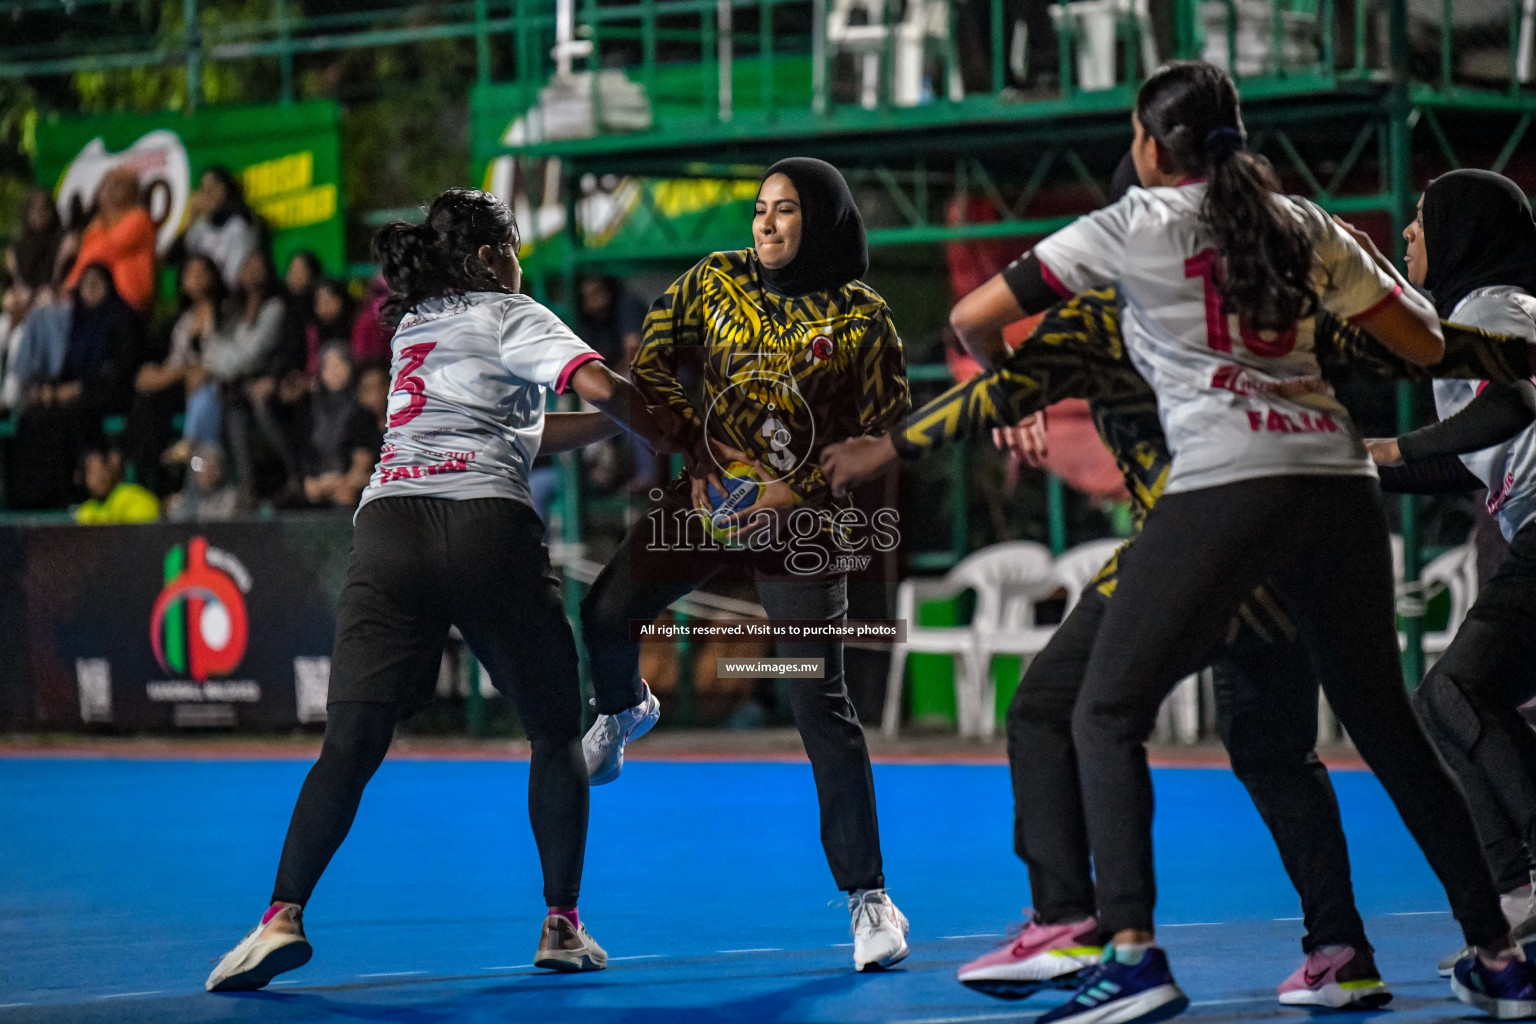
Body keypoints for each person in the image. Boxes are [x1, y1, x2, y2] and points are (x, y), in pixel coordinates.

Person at [821, 170, 1536, 1015]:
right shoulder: (1278, 304)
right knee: (1308, 748)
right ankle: (1397, 949)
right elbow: (1413, 345)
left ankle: (1090, 932)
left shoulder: (1124, 305)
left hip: (1194, 539)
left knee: (1062, 708)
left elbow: (995, 366)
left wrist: (884, 449)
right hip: (1311, 530)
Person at [205, 187, 679, 993]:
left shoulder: (418, 327)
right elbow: (599, 391)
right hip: (485, 529)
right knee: (553, 733)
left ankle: (279, 915)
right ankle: (561, 925)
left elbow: (528, 431)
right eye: (517, 246)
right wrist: (676, 423)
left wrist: (621, 418)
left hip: (389, 529)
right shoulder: (511, 311)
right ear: (494, 256)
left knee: (350, 744)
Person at [578, 157, 914, 972]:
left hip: (804, 526)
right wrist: (700, 449)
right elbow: (650, 367)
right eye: (759, 209)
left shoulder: (864, 319)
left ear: (823, 223)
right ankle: (624, 710)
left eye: (786, 212)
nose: (765, 225)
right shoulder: (713, 282)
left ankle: (871, 901)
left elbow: (887, 438)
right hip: (711, 501)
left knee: (815, 701)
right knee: (604, 612)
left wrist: (791, 493)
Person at [1362, 169, 1536, 976]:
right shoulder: (1475, 317)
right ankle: (1517, 889)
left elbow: (1513, 404)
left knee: (1454, 693)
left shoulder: (1492, 306)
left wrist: (1395, 447)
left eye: (1421, 222)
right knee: (1456, 699)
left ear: (1462, 233)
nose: (1407, 236)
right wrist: (1362, 468)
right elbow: (1473, 460)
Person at [10, 263, 145, 509]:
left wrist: (81, 388)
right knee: (32, 417)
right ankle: (30, 500)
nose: (91, 290)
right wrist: (50, 391)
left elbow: (123, 369)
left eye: (97, 284)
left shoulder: (122, 318)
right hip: (81, 394)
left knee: (72, 411)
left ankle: (74, 488)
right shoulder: (80, 324)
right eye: (86, 285)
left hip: (114, 393)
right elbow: (68, 370)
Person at [123, 254, 228, 494]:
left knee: (203, 395)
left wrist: (182, 373)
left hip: (214, 384)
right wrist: (159, 374)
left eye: (201, 273)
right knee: (146, 402)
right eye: (189, 274)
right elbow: (177, 362)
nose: (195, 279)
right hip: (182, 384)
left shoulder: (224, 314)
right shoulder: (182, 322)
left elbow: (222, 357)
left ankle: (194, 462)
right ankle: (150, 480)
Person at [294, 343, 378, 508]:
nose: (334, 372)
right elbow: (305, 455)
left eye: (339, 365)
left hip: (351, 484)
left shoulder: (361, 411)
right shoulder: (311, 410)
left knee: (346, 499)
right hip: (319, 484)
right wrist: (312, 482)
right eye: (328, 367)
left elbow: (363, 463)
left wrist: (337, 483)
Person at [62, 169, 157, 313]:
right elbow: (84, 260)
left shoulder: (139, 218)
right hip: (94, 296)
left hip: (127, 297)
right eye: (108, 185)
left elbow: (106, 251)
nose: (112, 190)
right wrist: (69, 286)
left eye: (119, 185)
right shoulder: (98, 223)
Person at [178, 166, 263, 290]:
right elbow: (185, 256)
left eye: (213, 188)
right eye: (204, 190)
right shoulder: (200, 227)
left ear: (225, 190)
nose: (208, 194)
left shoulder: (239, 226)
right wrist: (193, 217)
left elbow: (236, 275)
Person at [74, 442, 160, 524]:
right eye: (92, 472)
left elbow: (141, 532)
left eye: (102, 470)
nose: (99, 477)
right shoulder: (85, 510)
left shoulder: (133, 497)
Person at [6, 189, 64, 298]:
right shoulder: (18, 246)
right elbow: (16, 282)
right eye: (34, 209)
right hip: (25, 296)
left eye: (44, 208)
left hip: (51, 295)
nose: (39, 214)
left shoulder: (61, 239)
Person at [164, 443, 241, 522]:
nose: (208, 473)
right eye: (203, 467)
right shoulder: (186, 498)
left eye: (213, 467)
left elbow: (223, 518)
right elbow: (176, 516)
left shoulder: (231, 498)